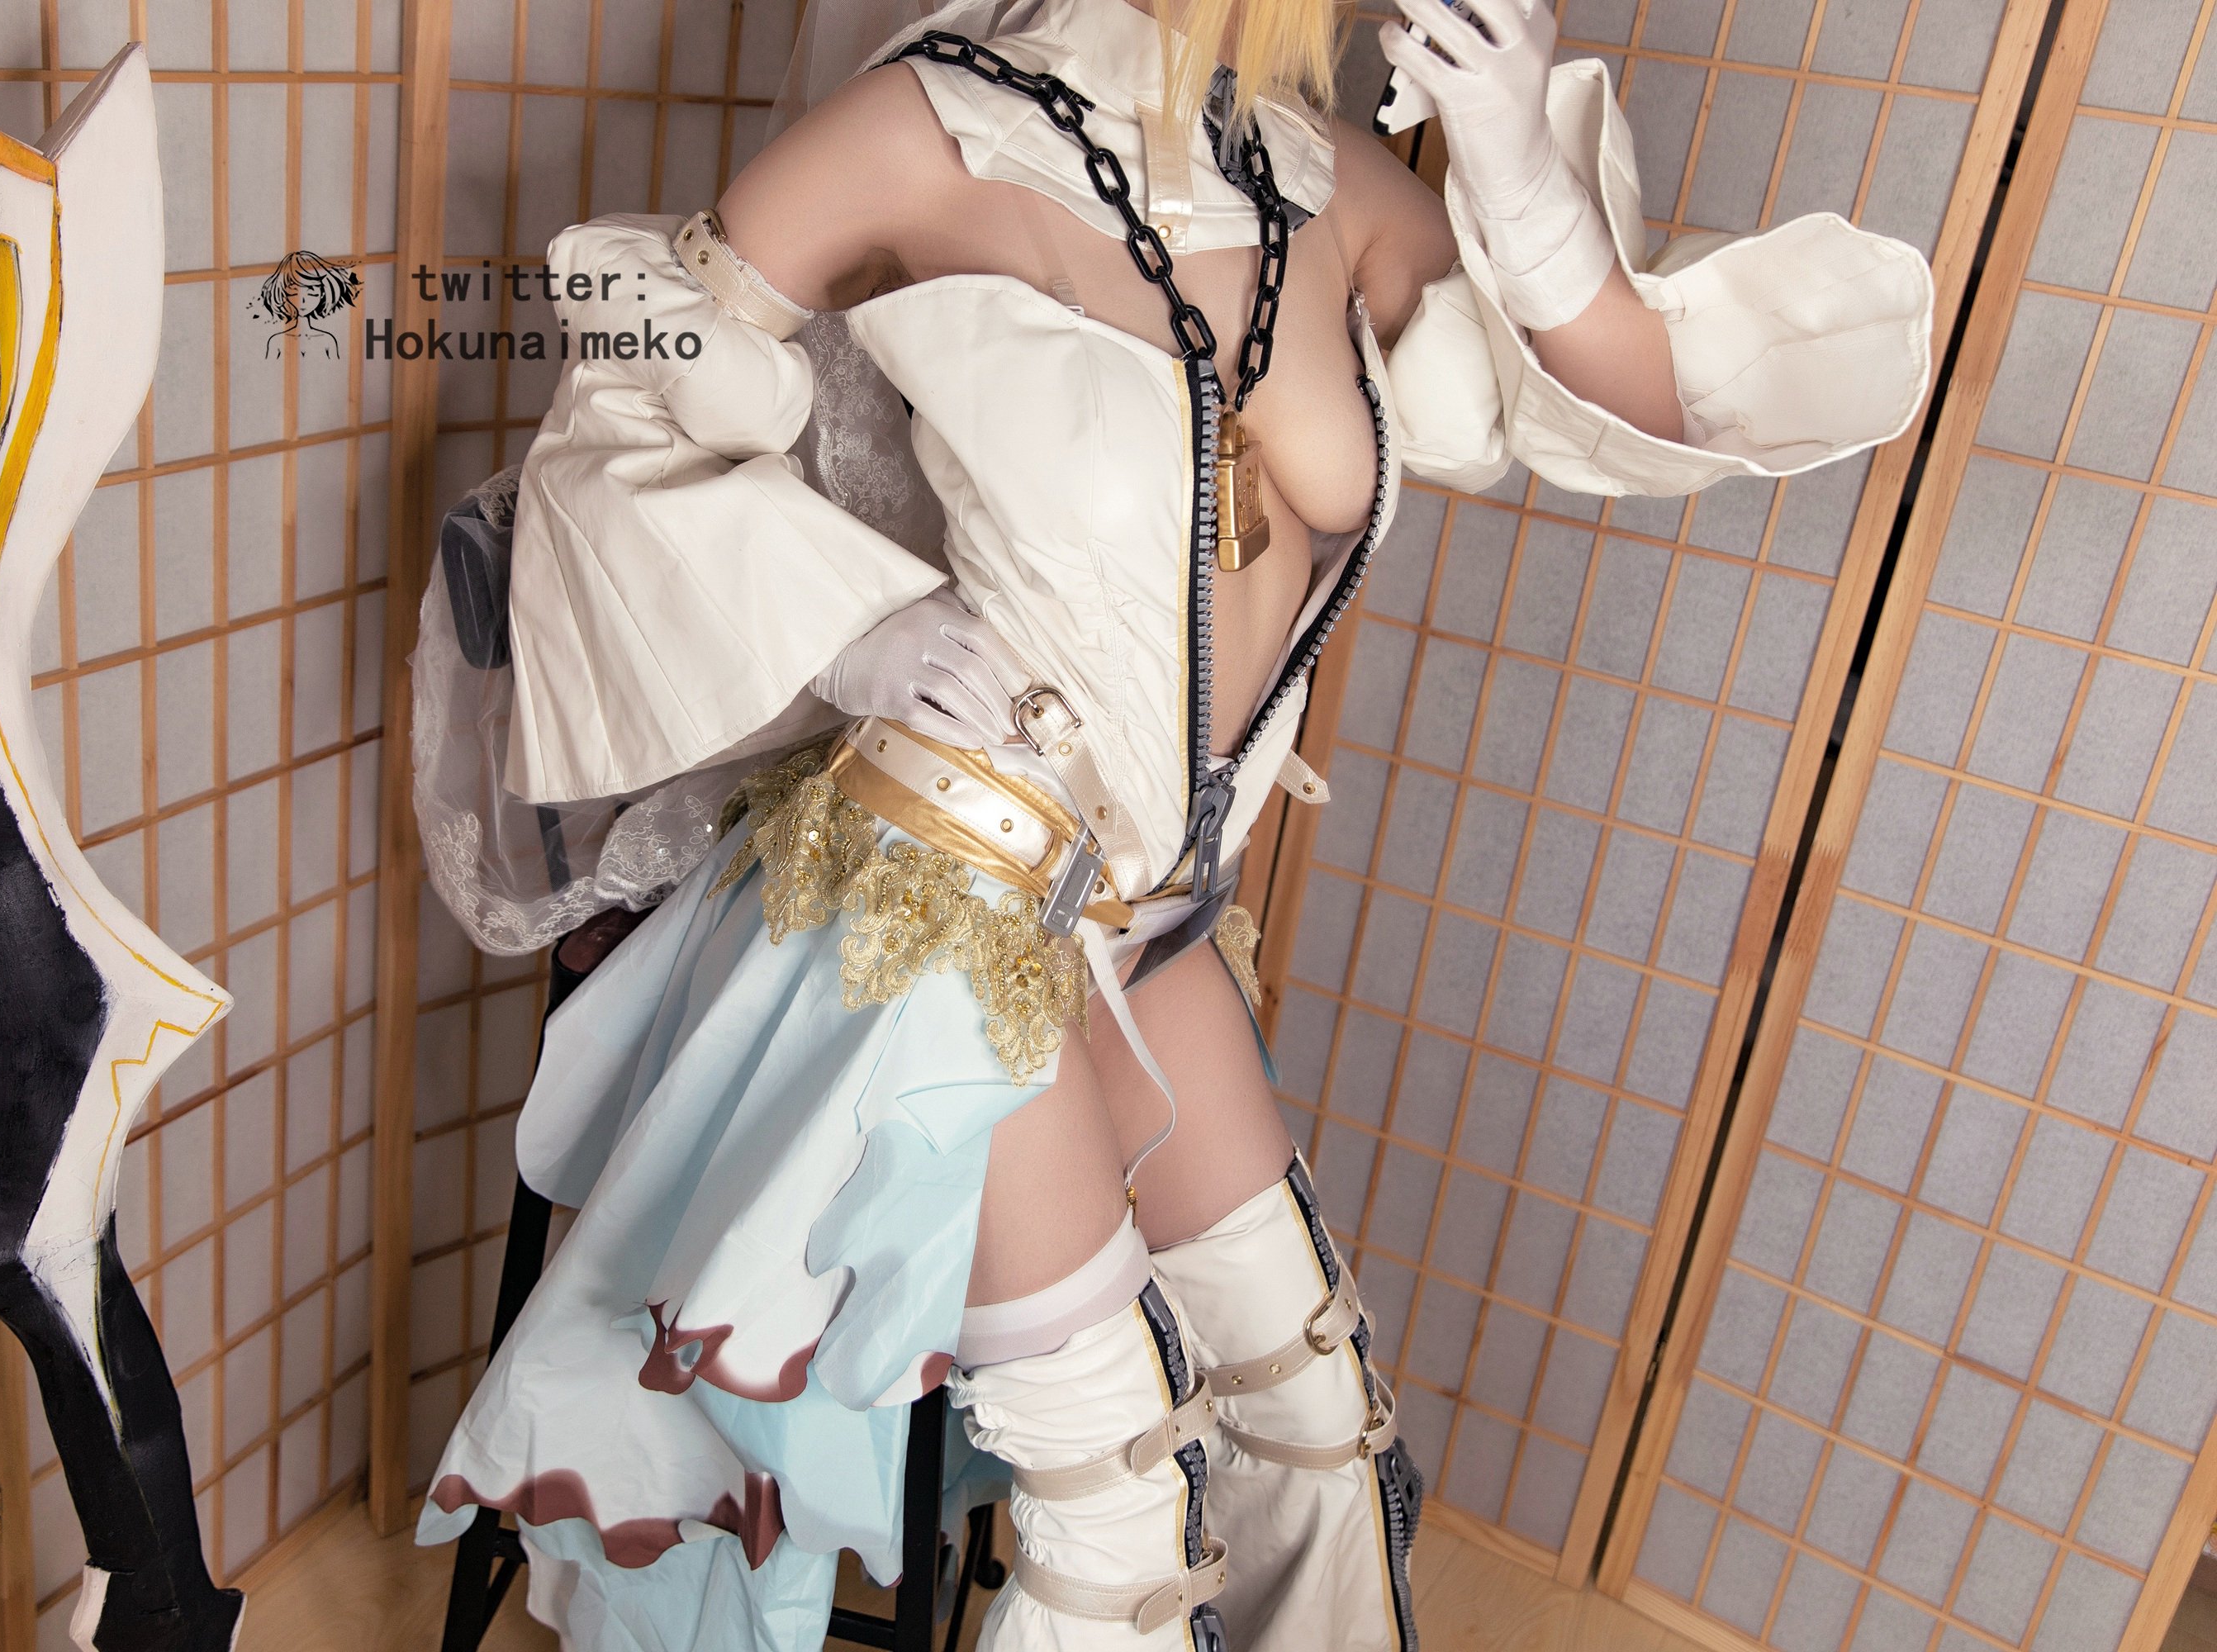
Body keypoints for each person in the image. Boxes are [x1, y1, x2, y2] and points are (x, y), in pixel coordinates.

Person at [415, 0, 1935, 1647]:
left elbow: (1635, 398)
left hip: (1147, 909)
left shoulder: (1326, 181)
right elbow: (621, 407)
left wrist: (1515, 164)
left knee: (1315, 1416)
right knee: (1126, 1510)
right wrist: (850, 631)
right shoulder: (926, 127)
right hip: (943, 902)